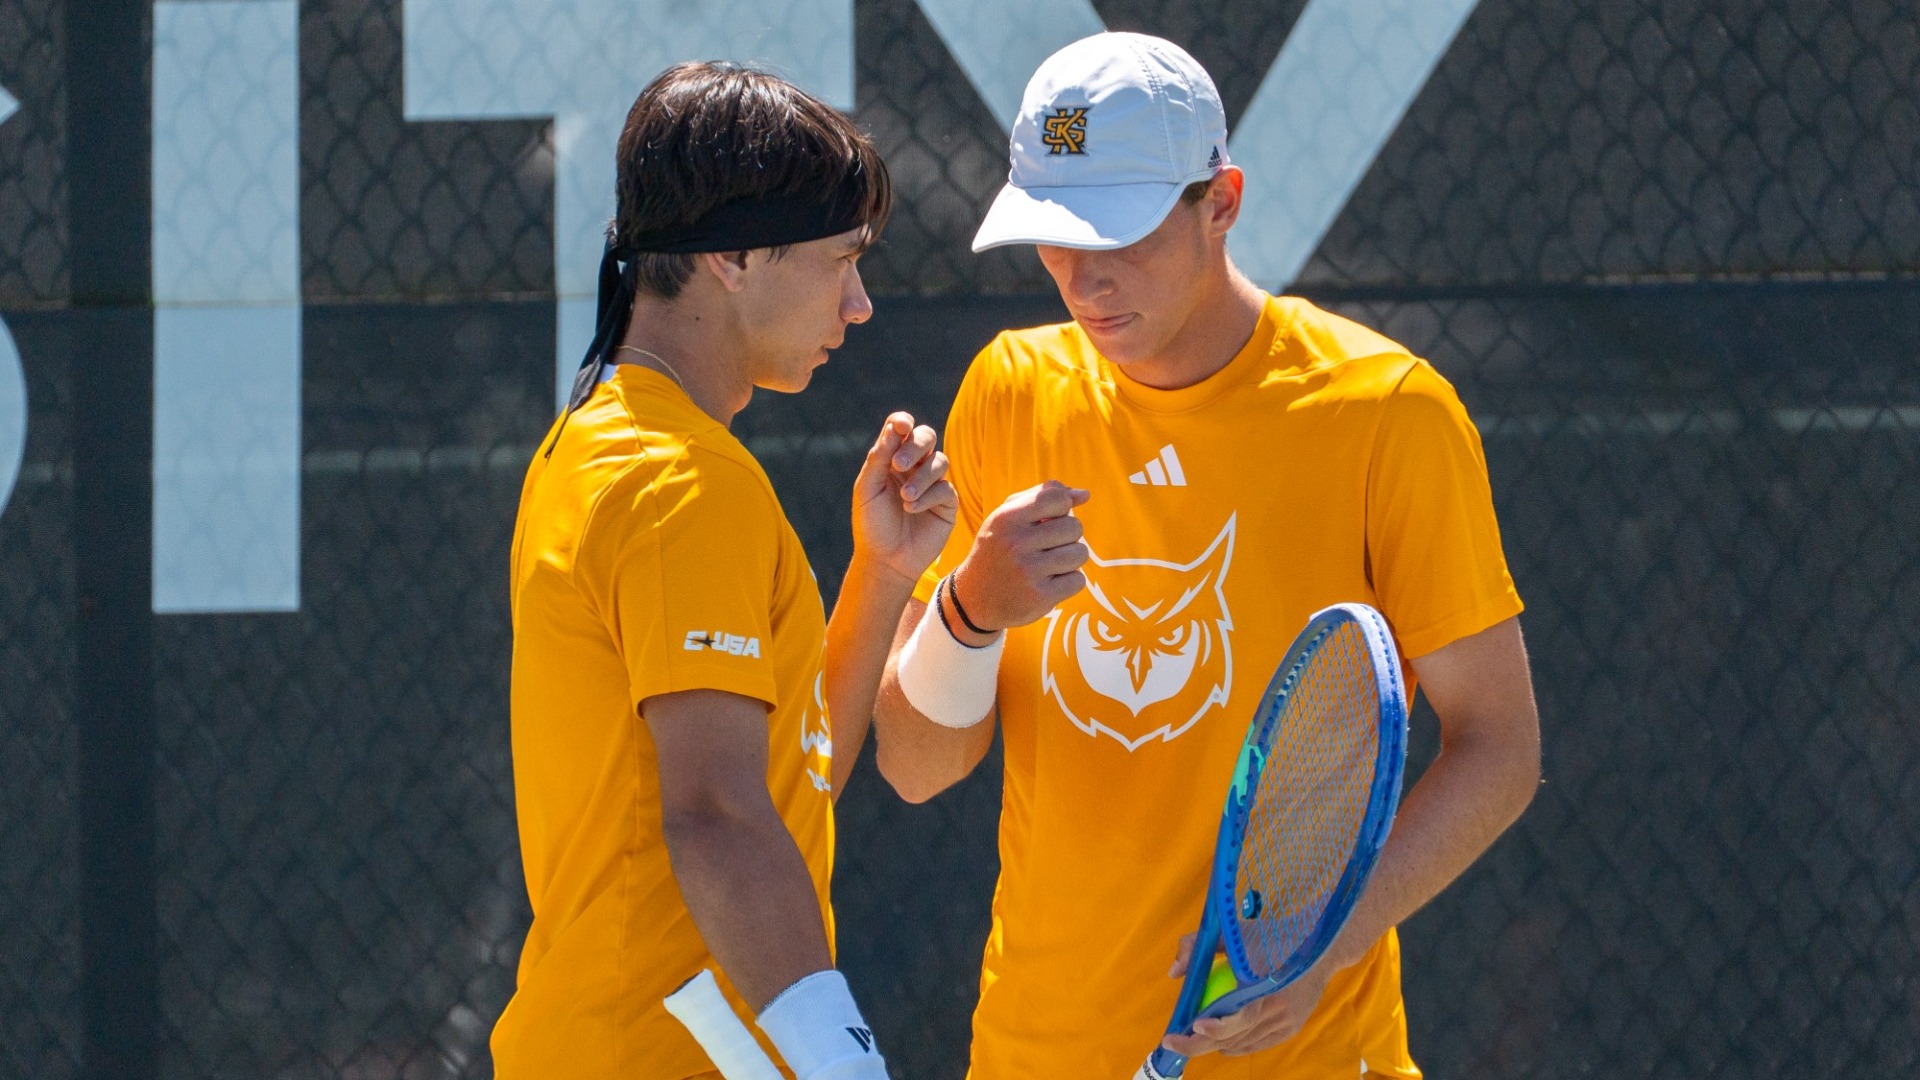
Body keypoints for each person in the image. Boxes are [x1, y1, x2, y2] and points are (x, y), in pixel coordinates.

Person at [875, 32, 1541, 1079]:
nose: (1084, 281)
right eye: (1055, 238)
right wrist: (967, 613)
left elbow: (1502, 748)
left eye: (1122, 234)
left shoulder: (1388, 414)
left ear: (1220, 201)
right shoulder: (1009, 390)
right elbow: (915, 768)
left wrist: (1325, 945)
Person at [495, 62, 954, 1080]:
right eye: (842, 260)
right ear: (736, 258)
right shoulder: (680, 483)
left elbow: (787, 782)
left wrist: (882, 577)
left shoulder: (596, 439)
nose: (862, 302)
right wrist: (843, 1065)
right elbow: (717, 817)